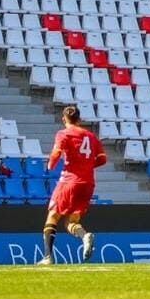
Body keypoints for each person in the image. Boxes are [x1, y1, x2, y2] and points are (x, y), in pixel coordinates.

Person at [38, 106, 106, 265]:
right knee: (71, 222)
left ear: (63, 119)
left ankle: (48, 257)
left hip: (69, 182)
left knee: (53, 216)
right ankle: (85, 236)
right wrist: (86, 166)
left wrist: (50, 165)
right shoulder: (91, 136)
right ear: (80, 119)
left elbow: (56, 153)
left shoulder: (63, 134)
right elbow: (102, 159)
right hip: (88, 184)